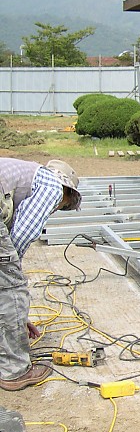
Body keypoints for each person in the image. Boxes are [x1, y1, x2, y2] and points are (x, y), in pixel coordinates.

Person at [0, 158, 82, 391]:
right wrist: (12, 284)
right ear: (67, 192)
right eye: (63, 205)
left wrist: (16, 321)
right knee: (12, 287)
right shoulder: (52, 186)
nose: (57, 208)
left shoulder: (23, 179)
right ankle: (15, 372)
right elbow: (23, 234)